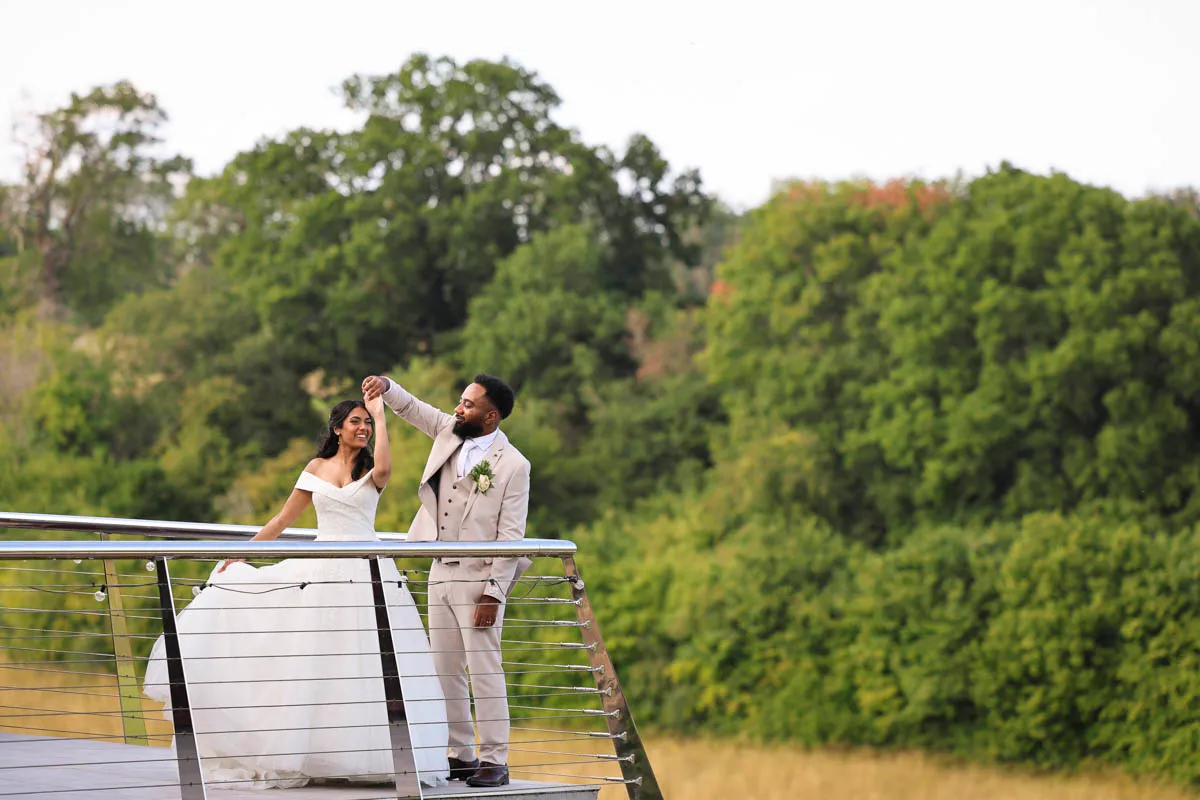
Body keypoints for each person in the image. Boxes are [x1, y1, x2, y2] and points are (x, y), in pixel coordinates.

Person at [142, 395, 450, 789]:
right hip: (320, 571)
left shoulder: (371, 467)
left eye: (367, 423)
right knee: (313, 663)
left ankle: (376, 757)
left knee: (368, 665)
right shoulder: (315, 468)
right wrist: (240, 555)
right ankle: (311, 754)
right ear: (337, 428)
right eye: (356, 422)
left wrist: (381, 414)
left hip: (368, 571)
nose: (363, 428)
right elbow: (283, 519)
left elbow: (387, 470)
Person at [362, 373, 530, 789]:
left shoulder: (515, 465)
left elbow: (511, 537)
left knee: (485, 671)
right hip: (440, 571)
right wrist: (387, 386)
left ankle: (495, 760)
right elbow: (413, 409)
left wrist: (493, 594)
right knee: (445, 668)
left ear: (491, 416)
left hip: (479, 578)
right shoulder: (449, 431)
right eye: (461, 401)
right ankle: (461, 754)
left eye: (469, 405)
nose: (459, 408)